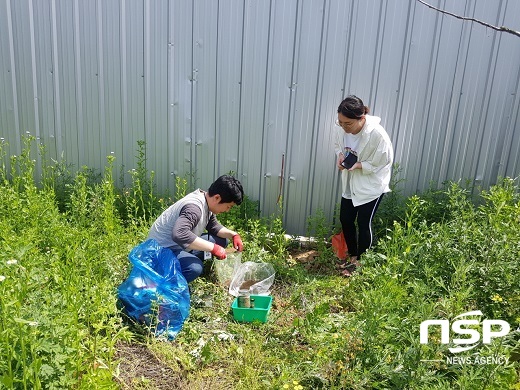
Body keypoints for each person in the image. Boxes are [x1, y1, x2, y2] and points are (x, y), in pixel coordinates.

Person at [333, 95, 393, 276]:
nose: (343, 126)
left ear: (362, 118)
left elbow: (384, 161)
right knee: (346, 219)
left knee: (363, 222)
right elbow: (338, 145)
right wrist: (340, 157)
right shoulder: (341, 128)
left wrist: (359, 166)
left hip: (371, 185)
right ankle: (352, 256)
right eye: (340, 122)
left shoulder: (377, 135)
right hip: (351, 182)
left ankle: (361, 261)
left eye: (348, 123)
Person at [147, 174, 244, 283]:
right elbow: (179, 234)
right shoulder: (194, 208)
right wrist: (213, 248)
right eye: (228, 206)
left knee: (221, 241)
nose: (227, 210)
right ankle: (164, 285)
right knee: (194, 268)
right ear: (217, 198)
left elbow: (214, 226)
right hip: (161, 251)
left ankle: (183, 262)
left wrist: (233, 235)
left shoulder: (206, 201)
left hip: (179, 245)